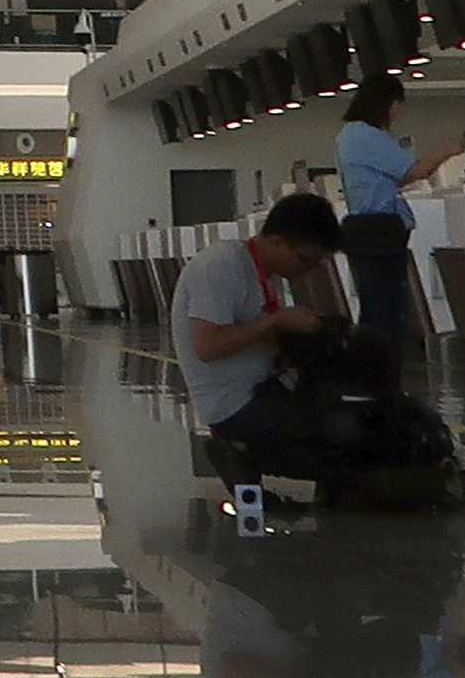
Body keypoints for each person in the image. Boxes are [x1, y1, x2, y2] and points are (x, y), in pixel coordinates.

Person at [176, 192, 441, 484]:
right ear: (278, 242)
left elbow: (262, 340)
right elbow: (208, 346)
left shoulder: (264, 272)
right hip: (235, 404)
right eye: (308, 261)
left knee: (381, 421)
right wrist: (275, 321)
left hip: (268, 386)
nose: (309, 271)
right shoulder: (221, 266)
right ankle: (245, 451)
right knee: (350, 441)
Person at [330, 72, 421, 344]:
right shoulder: (366, 135)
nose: (398, 113)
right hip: (379, 230)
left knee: (374, 306)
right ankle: (382, 375)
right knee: (387, 310)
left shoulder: (349, 135)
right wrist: (449, 150)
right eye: (398, 105)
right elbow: (415, 170)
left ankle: (371, 375)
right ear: (389, 103)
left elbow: (399, 176)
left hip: (363, 230)